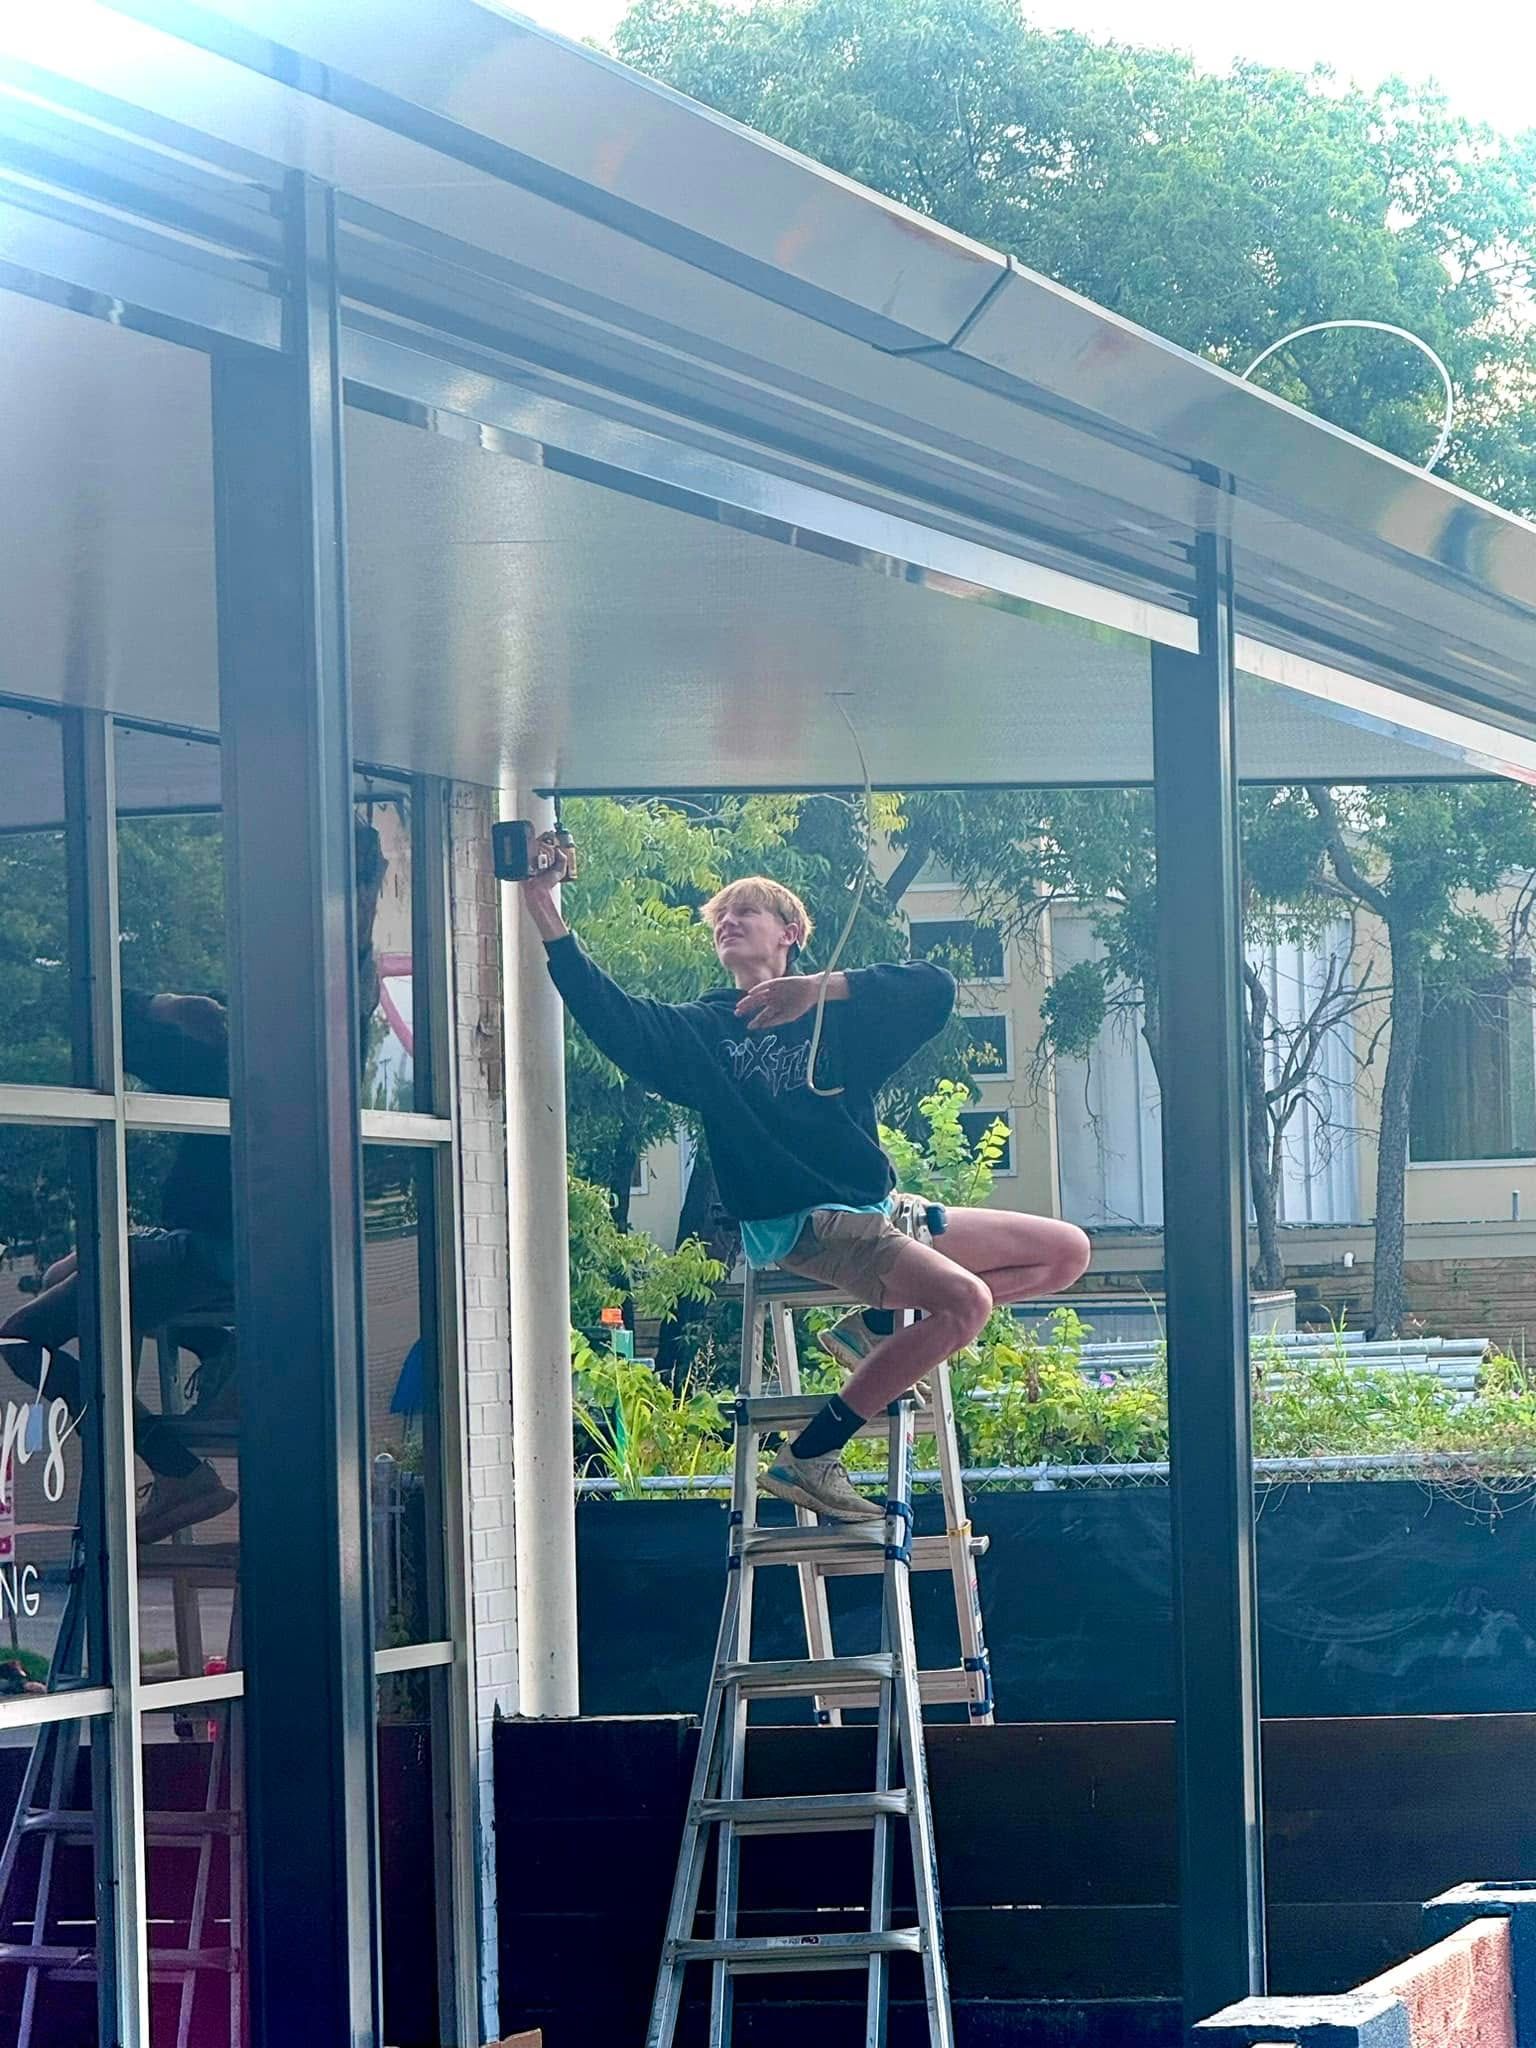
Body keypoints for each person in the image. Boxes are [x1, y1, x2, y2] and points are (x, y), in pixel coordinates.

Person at [520, 849, 1091, 1520]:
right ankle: (812, 1455)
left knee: (1067, 1252)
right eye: (720, 916)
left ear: (790, 932)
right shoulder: (706, 1031)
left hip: (877, 1209)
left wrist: (819, 989)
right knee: (965, 1304)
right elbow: (610, 1013)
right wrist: (543, 906)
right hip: (806, 1224)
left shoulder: (841, 1017)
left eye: (746, 911)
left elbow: (934, 987)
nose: (728, 921)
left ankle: (874, 1327)